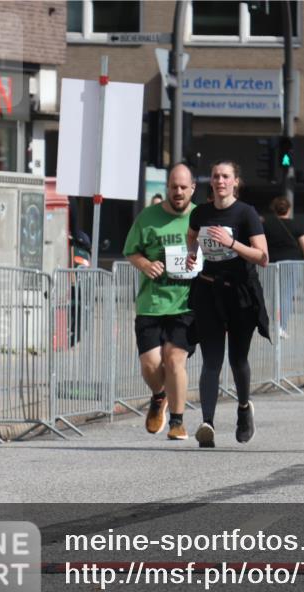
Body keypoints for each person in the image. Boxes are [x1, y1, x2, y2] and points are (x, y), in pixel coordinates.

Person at [185, 161, 270, 448]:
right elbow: (193, 234)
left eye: (225, 176)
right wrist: (191, 254)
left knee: (237, 359)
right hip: (208, 290)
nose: (220, 181)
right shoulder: (201, 212)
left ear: (235, 181)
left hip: (240, 293)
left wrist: (232, 243)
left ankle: (244, 409)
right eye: (216, 176)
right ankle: (207, 423)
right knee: (211, 360)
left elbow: (262, 257)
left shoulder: (246, 214)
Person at [122, 163, 199, 441]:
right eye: (173, 187)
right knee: (151, 365)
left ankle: (177, 421)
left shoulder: (201, 218)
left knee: (174, 359)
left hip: (186, 304)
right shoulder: (148, 217)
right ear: (167, 188)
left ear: (192, 188)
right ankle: (159, 396)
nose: (178, 192)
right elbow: (131, 251)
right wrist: (144, 265)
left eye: (183, 187)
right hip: (151, 303)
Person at [264, 196, 304, 338]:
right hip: (292, 264)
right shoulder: (296, 225)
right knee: (286, 295)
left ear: (274, 209)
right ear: (289, 210)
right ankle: (281, 326)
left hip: (272, 264)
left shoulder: (266, 225)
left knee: (274, 295)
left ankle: (275, 323)